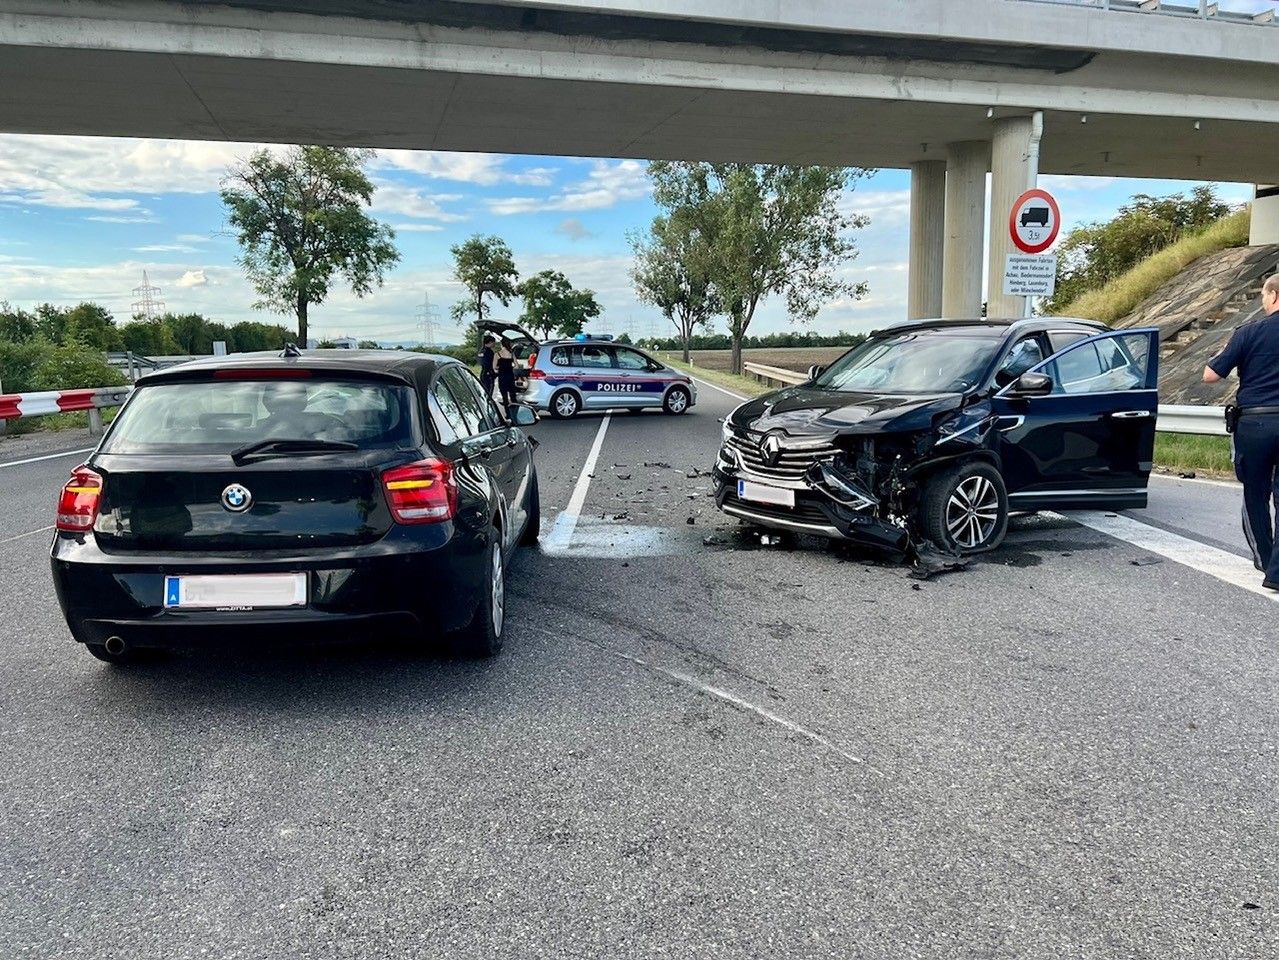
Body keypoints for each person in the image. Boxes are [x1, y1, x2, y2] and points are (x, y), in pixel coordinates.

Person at [1204, 273, 1279, 589]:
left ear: (1273, 296)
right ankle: (1277, 573)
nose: (1263, 302)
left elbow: (1210, 375)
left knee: (1255, 495)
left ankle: (1265, 562)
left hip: (1255, 424)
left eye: (1263, 296)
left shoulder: (1248, 333)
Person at [496, 338, 518, 407]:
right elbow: (516, 366)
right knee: (513, 396)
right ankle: (515, 412)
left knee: (504, 397)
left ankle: (507, 414)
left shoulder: (498, 354)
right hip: (510, 376)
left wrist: (501, 368)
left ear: (501, 344)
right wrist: (510, 368)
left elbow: (494, 367)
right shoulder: (511, 354)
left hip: (502, 377)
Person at [479, 335, 497, 399]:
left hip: (482, 373)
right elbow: (491, 364)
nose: (495, 344)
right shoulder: (489, 352)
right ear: (490, 342)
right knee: (489, 393)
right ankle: (488, 404)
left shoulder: (481, 351)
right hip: (488, 374)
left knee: (484, 391)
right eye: (494, 342)